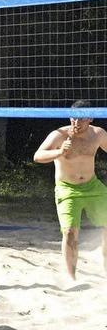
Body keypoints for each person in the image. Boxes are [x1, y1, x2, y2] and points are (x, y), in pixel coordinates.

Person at [34, 100, 107, 280]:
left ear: (90, 118)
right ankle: (71, 277)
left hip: (92, 186)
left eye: (81, 119)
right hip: (67, 189)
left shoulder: (98, 134)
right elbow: (38, 156)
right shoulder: (59, 135)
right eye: (73, 118)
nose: (76, 122)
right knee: (69, 232)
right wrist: (59, 153)